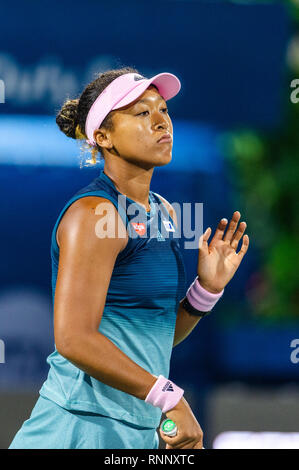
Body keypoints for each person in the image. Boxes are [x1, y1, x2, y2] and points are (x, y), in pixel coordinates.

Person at [9, 66, 249, 449]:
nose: (161, 122)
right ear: (103, 137)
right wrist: (169, 397)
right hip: (76, 429)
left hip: (137, 429)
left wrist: (205, 291)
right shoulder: (93, 214)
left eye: (163, 110)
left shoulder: (166, 213)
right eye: (141, 113)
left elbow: (150, 340)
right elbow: (74, 339)